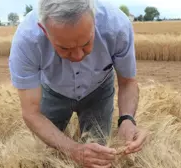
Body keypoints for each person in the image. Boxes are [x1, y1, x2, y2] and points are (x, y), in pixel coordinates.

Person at [8, 0, 148, 167]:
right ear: (44, 30)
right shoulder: (26, 41)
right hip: (53, 91)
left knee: (99, 154)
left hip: (99, 91)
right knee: (45, 152)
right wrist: (72, 150)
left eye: (86, 43)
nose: (77, 56)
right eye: (64, 48)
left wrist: (127, 119)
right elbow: (31, 113)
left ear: (94, 19)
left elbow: (127, 82)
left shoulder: (117, 26)